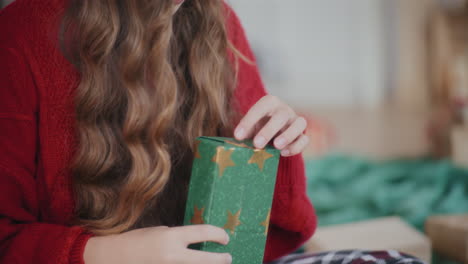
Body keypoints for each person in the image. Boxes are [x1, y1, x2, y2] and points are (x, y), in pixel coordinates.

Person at [0, 0, 425, 264]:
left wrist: (276, 151)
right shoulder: (23, 32)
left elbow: (272, 237)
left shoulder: (217, 23)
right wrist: (110, 254)